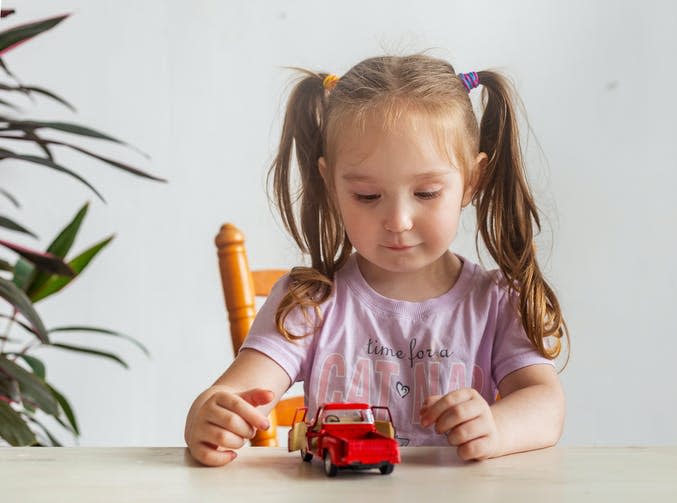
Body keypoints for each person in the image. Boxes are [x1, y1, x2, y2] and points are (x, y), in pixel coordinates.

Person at [185, 53, 569, 467]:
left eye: (426, 193)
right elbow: (231, 394)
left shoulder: (495, 303)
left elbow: (545, 404)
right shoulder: (308, 303)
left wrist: (497, 427)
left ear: (472, 180)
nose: (398, 221)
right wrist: (209, 417)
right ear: (331, 184)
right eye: (367, 196)